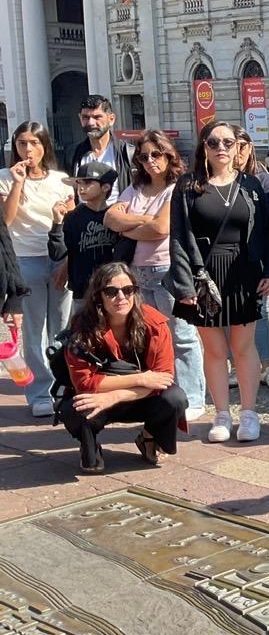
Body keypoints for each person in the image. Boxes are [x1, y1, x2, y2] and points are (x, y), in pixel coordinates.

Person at [167, 121, 269, 444]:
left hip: (244, 272)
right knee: (214, 349)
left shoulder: (251, 185)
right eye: (213, 142)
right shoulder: (188, 186)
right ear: (204, 147)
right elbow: (179, 238)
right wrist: (184, 285)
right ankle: (221, 414)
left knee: (243, 348)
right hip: (204, 274)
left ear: (238, 147)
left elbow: (264, 233)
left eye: (228, 143)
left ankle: (248, 413)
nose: (221, 149)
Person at [105, 130, 206, 421]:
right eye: (144, 156)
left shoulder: (177, 188)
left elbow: (161, 229)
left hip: (167, 270)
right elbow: (110, 218)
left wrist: (130, 225)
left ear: (169, 155)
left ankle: (192, 396)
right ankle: (162, 393)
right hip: (136, 274)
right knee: (150, 337)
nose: (150, 161)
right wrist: (142, 222)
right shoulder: (135, 187)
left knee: (181, 336)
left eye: (156, 154)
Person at [60, 263, 186, 472]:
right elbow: (84, 382)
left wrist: (114, 396)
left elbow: (162, 379)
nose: (121, 297)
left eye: (128, 290)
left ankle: (148, 437)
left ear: (136, 292)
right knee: (74, 407)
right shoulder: (81, 326)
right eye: (111, 291)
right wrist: (140, 378)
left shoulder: (154, 323)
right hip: (98, 398)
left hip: (136, 397)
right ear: (98, 295)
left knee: (175, 398)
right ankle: (89, 445)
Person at [0, 122, 75, 417]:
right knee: (32, 330)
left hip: (58, 257)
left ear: (44, 145)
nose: (28, 149)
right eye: (21, 143)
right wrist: (18, 183)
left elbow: (71, 220)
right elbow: (5, 221)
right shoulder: (5, 178)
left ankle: (63, 384)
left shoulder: (61, 179)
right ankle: (39, 391)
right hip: (24, 258)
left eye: (33, 142)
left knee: (62, 327)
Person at [229, 129, 269, 390]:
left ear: (250, 147)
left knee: (260, 312)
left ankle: (266, 367)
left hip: (254, 256)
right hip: (224, 257)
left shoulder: (265, 181)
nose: (236, 152)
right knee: (227, 314)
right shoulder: (216, 179)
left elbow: (263, 228)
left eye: (241, 146)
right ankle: (233, 367)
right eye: (231, 145)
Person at [47, 162, 118, 307]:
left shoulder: (115, 215)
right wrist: (57, 223)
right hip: (82, 290)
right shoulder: (73, 217)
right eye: (79, 183)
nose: (81, 187)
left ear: (105, 187)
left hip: (113, 289)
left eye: (88, 182)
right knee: (82, 328)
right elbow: (57, 253)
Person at [65, 95, 132, 204]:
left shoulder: (127, 153)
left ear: (111, 119)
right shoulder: (72, 154)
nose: (91, 123)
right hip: (83, 219)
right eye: (85, 117)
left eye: (97, 117)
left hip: (116, 218)